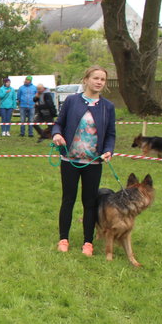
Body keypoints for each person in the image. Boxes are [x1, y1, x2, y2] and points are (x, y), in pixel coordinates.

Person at [51, 66, 116, 257]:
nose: (99, 82)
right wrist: (56, 135)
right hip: (69, 160)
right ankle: (64, 238)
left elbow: (111, 134)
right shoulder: (72, 101)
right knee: (68, 200)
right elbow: (58, 123)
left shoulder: (108, 107)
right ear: (86, 79)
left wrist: (108, 150)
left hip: (93, 162)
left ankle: (88, 242)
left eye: (102, 79)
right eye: (95, 78)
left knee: (90, 202)